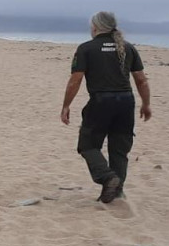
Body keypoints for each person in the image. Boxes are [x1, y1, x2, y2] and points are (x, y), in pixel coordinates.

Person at [60, 12, 151, 203]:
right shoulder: (128, 48)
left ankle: (108, 178)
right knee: (119, 150)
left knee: (87, 145)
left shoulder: (86, 48)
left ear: (95, 27)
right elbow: (141, 80)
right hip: (126, 102)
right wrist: (146, 104)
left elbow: (75, 81)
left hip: (101, 102)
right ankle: (116, 192)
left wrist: (66, 105)